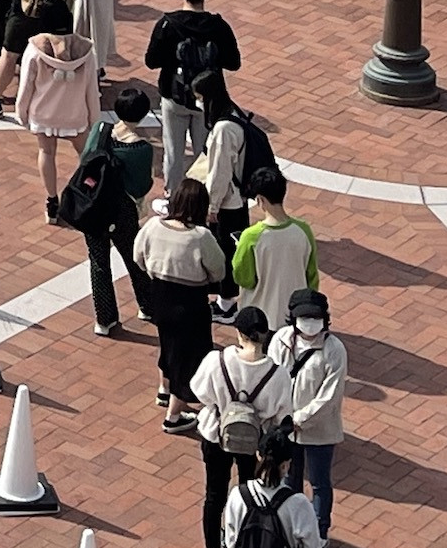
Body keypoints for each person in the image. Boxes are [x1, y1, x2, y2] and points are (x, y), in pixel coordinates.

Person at [191, 304, 292, 548]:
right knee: (251, 496)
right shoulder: (278, 374)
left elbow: (198, 391)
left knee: (215, 496)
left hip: (216, 435)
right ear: (265, 335)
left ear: (239, 333)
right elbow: (282, 415)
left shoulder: (216, 361)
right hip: (254, 443)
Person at [137, 185, 231, 433]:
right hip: (190, 303)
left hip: (159, 296)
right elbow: (219, 269)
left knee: (167, 344)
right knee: (189, 358)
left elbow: (138, 256)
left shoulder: (153, 226)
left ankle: (164, 389)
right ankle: (174, 417)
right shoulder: (200, 236)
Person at [145, 0, 240, 194]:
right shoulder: (219, 26)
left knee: (174, 154)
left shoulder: (168, 24)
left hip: (174, 97)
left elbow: (151, 61)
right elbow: (233, 63)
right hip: (207, 101)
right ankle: (200, 200)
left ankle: (172, 198)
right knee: (204, 154)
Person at [71, 87, 158, 336]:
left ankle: (105, 319)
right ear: (142, 115)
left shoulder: (100, 130)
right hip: (122, 209)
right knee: (133, 257)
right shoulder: (141, 148)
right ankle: (147, 305)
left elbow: (86, 158)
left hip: (93, 206)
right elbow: (142, 185)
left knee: (99, 262)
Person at [14, 0, 101, 212]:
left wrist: (21, 113)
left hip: (43, 114)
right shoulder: (86, 51)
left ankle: (52, 200)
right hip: (76, 114)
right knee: (87, 157)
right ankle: (90, 193)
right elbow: (92, 88)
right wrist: (95, 118)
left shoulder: (35, 49)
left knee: (47, 153)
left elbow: (26, 86)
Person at [281, 288, 348, 539]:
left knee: (320, 483)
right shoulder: (281, 341)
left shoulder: (334, 350)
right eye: (304, 318)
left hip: (320, 431)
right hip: (287, 429)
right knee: (290, 481)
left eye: (315, 318)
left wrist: (298, 419)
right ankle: (290, 526)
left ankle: (319, 533)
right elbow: (274, 378)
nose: (310, 324)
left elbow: (328, 397)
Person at [230, 169, 319, 333]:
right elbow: (312, 276)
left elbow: (243, 279)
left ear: (260, 200)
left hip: (260, 318)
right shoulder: (304, 230)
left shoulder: (250, 236)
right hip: (295, 316)